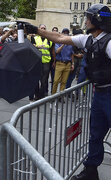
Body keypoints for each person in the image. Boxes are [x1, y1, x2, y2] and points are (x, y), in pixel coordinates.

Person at [25, 3, 111, 180]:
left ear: (97, 20)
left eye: (89, 17)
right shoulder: (87, 39)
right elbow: (59, 38)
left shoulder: (109, 42)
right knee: (95, 134)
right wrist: (36, 30)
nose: (85, 21)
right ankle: (91, 171)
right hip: (99, 94)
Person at [32, 24, 55, 99]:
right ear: (39, 29)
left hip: (46, 62)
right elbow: (31, 47)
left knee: (44, 80)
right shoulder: (34, 38)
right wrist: (37, 46)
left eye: (44, 28)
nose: (43, 29)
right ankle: (37, 94)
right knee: (36, 79)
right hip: (36, 61)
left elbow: (52, 51)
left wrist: (53, 61)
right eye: (42, 28)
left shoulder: (49, 40)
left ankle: (41, 95)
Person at [52, 28, 74, 98]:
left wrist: (72, 64)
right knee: (56, 81)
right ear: (61, 34)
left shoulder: (71, 43)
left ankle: (60, 96)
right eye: (64, 33)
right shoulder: (58, 42)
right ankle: (53, 96)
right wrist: (63, 44)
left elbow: (72, 54)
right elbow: (57, 51)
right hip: (59, 63)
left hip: (68, 64)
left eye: (67, 33)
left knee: (64, 82)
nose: (65, 34)